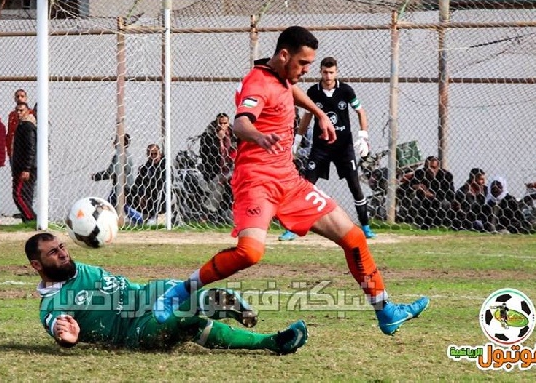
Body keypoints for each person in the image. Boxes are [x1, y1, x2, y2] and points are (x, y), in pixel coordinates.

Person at [152, 26, 428, 336]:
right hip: (255, 182)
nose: (307, 70)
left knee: (353, 238)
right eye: (303, 64)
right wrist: (259, 136)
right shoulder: (258, 83)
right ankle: (178, 292)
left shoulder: (280, 75)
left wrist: (319, 113)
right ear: (284, 55)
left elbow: (287, 89)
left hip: (289, 181)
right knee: (250, 253)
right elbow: (242, 122)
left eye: (310, 64)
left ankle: (385, 310)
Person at [26, 232, 308, 354]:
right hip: (136, 329)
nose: (63, 253)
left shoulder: (79, 268)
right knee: (187, 320)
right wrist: (66, 338)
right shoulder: (53, 303)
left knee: (177, 290)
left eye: (62, 247)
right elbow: (57, 326)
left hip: (147, 296)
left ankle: (218, 302)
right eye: (54, 252)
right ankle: (271, 342)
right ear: (37, 265)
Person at [281, 56, 376, 241]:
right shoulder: (313, 92)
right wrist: (297, 140)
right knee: (306, 186)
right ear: (321, 72)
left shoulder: (346, 90)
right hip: (321, 147)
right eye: (325, 72)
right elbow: (307, 115)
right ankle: (292, 228)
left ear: (336, 72)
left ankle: (365, 226)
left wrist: (363, 135)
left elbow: (360, 111)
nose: (328, 75)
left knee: (355, 185)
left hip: (343, 147)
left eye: (331, 72)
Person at [91, 134, 142, 225]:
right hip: (126, 186)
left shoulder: (119, 156)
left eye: (115, 141)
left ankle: (97, 221)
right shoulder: (127, 154)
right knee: (122, 206)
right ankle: (140, 220)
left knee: (110, 206)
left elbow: (110, 172)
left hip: (122, 187)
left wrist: (96, 176)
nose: (113, 143)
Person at [199, 113, 236, 221]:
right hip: (215, 172)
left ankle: (209, 211)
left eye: (225, 123)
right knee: (219, 184)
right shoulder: (208, 136)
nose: (223, 126)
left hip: (233, 170)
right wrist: (217, 140)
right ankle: (210, 211)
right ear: (216, 123)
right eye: (220, 123)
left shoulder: (234, 135)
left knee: (229, 180)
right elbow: (206, 156)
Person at [409, 156, 456, 229]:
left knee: (444, 204)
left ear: (439, 166)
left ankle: (440, 225)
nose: (432, 170)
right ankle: (421, 224)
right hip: (423, 199)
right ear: (426, 166)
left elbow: (450, 193)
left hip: (440, 199)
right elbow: (411, 185)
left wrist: (433, 195)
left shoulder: (446, 175)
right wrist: (416, 186)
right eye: (430, 167)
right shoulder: (419, 173)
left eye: (434, 168)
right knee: (416, 201)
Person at [11, 102, 37, 222]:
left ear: (28, 111)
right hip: (20, 166)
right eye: (17, 110)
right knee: (23, 195)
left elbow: (31, 149)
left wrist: (27, 168)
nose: (19, 113)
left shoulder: (27, 126)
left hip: (25, 168)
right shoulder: (21, 125)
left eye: (21, 110)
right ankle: (28, 219)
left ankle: (31, 218)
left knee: (18, 195)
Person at [130, 144, 167, 224]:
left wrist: (145, 193)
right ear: (147, 155)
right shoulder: (145, 168)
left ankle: (157, 216)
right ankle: (137, 218)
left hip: (161, 195)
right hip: (147, 197)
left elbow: (161, 182)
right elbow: (137, 184)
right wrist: (141, 195)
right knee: (127, 193)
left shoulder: (165, 166)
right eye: (151, 154)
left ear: (159, 154)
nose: (153, 156)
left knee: (157, 190)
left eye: (155, 154)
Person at [6, 89, 29, 164]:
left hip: (25, 149)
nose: (20, 98)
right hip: (13, 149)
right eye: (17, 96)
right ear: (15, 98)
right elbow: (10, 132)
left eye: (22, 96)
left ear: (26, 98)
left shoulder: (30, 113)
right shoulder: (12, 115)